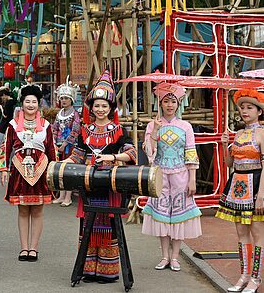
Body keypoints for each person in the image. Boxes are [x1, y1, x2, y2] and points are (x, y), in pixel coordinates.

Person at [64, 70, 137, 283]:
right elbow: (77, 155)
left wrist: (112, 156)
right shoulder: (85, 130)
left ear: (111, 108)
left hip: (110, 184)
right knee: (87, 224)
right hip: (88, 184)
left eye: (104, 106)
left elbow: (131, 153)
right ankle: (88, 269)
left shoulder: (118, 130)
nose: (100, 109)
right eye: (97, 105)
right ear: (91, 108)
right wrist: (59, 165)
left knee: (109, 225)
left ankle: (107, 271)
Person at [142, 83, 201, 272]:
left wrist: (192, 178)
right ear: (160, 103)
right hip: (160, 175)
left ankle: (175, 257)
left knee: (178, 217)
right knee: (161, 216)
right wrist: (156, 132)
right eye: (166, 101)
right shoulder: (153, 124)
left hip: (181, 175)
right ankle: (164, 256)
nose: (169, 105)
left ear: (178, 104)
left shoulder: (186, 126)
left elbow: (190, 152)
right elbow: (150, 153)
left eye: (173, 101)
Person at [0, 85, 55, 262]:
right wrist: (4, 170)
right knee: (23, 211)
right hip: (19, 170)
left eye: (34, 102)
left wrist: (55, 171)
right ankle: (24, 248)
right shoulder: (13, 125)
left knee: (38, 211)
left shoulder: (46, 125)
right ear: (22, 104)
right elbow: (5, 148)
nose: (31, 105)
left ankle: (34, 248)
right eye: (27, 101)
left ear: (39, 104)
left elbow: (51, 149)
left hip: (41, 170)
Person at [216, 89, 264, 292]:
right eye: (242, 107)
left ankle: (256, 278)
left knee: (257, 233)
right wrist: (225, 145)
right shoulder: (239, 133)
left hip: (256, 184)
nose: (245, 111)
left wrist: (262, 194)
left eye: (249, 107)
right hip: (237, 186)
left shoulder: (262, 133)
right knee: (241, 232)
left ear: (259, 111)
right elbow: (229, 164)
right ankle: (243, 275)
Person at [51, 78, 81, 206]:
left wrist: (64, 144)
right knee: (59, 171)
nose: (63, 100)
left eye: (66, 98)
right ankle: (61, 195)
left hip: (70, 148)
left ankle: (68, 196)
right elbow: (55, 128)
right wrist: (53, 140)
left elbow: (75, 131)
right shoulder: (60, 113)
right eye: (62, 98)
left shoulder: (75, 114)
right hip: (59, 146)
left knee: (68, 171)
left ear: (71, 100)